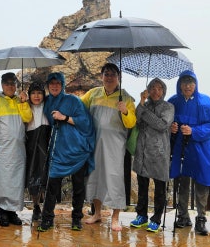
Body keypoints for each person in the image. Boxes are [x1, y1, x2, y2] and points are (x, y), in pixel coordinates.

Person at [82, 63, 137, 232]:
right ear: (101, 76)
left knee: (115, 178)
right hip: (95, 142)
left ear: (118, 77)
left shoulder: (126, 98)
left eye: (113, 74)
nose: (109, 77)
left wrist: (125, 111)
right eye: (106, 74)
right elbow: (79, 108)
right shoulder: (93, 93)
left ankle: (115, 217)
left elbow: (131, 123)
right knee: (95, 176)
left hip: (115, 146)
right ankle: (97, 213)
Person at [38, 72, 95, 232]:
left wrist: (65, 117)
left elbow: (85, 122)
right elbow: (33, 106)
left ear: (62, 85)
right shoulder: (46, 102)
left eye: (58, 83)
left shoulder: (73, 101)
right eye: (51, 83)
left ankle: (76, 218)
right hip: (57, 151)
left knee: (78, 187)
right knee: (52, 186)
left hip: (77, 151)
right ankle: (47, 219)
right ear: (48, 86)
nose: (54, 86)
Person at [168, 70, 210, 236]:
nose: (187, 86)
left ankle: (201, 218)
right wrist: (171, 128)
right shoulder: (173, 101)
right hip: (181, 148)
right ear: (179, 84)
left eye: (190, 82)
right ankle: (183, 216)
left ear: (195, 84)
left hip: (201, 148)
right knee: (182, 182)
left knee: (201, 183)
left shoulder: (205, 101)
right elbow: (166, 121)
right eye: (184, 82)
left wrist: (194, 131)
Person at [129, 78, 174, 233]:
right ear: (148, 90)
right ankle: (141, 215)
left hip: (159, 153)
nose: (156, 91)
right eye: (153, 88)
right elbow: (136, 121)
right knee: (142, 186)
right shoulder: (144, 105)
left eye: (159, 88)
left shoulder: (168, 107)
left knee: (160, 188)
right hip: (142, 151)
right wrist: (141, 102)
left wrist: (144, 112)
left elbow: (162, 125)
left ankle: (156, 219)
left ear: (164, 91)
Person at [0, 72, 33, 226]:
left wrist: (24, 103)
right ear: (2, 85)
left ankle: (12, 212)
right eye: (7, 83)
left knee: (15, 181)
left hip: (18, 148)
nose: (10, 86)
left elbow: (27, 118)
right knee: (1, 180)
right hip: (1, 147)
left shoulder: (20, 100)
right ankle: (2, 213)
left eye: (13, 83)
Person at [24, 81, 50, 223]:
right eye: (33, 93)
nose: (36, 96)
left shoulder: (49, 106)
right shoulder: (25, 107)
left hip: (46, 143)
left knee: (46, 176)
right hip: (31, 145)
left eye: (39, 93)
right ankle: (36, 207)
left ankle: (46, 206)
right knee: (32, 176)